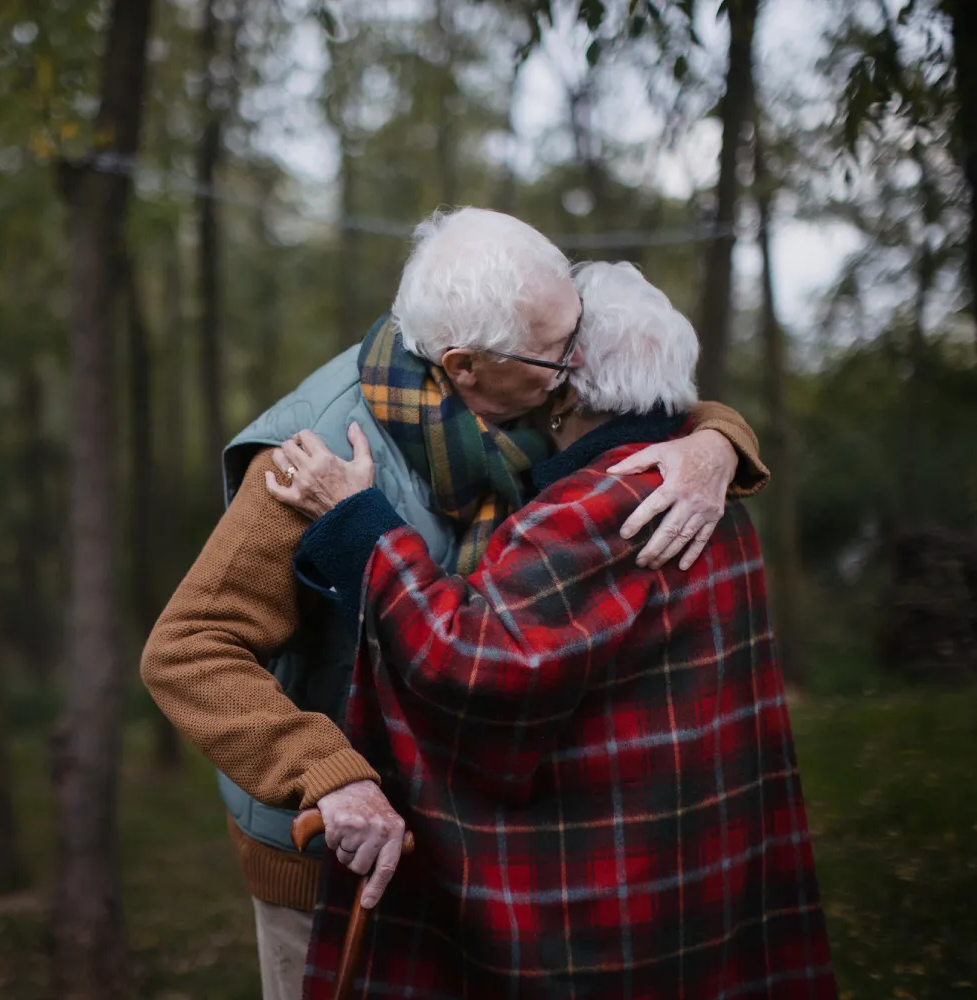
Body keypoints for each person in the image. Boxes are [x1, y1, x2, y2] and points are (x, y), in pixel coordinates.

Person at [141, 208, 768, 1000]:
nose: (576, 362)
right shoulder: (312, 458)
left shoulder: (528, 395)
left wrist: (715, 442)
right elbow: (188, 648)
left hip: (462, 839)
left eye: (575, 335)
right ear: (463, 363)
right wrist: (326, 776)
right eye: (557, 352)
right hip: (334, 854)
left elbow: (642, 395)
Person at [269, 260, 835, 999]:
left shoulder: (593, 513)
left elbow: (462, 662)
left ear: (564, 388)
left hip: (611, 897)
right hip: (701, 871)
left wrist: (357, 521)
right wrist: (718, 438)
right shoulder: (713, 496)